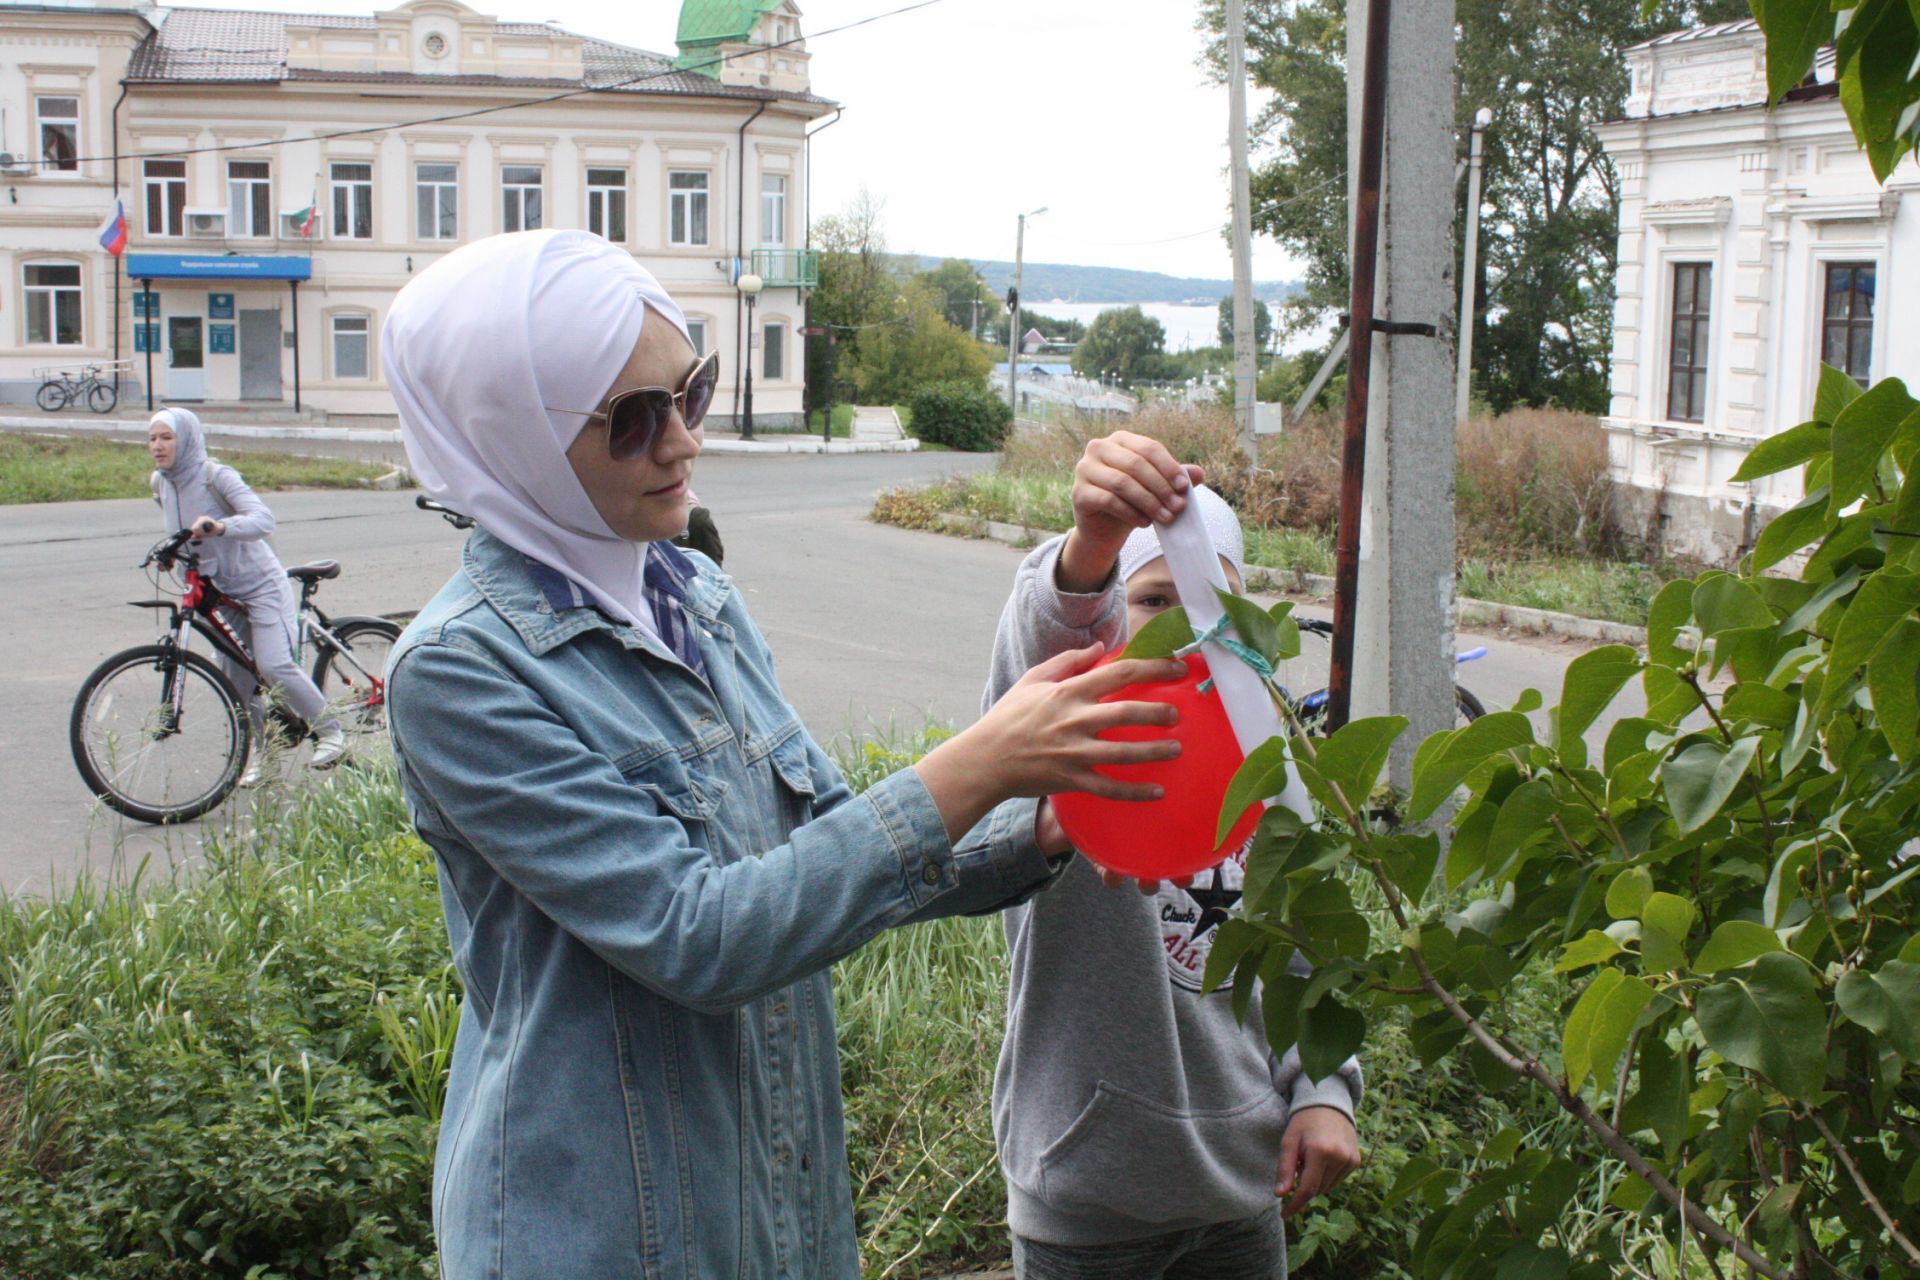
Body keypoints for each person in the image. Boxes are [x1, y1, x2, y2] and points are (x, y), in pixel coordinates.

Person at [377, 229, 1188, 1280]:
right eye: (632, 418)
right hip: (600, 1230)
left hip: (772, 1203)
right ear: (508, 438)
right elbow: (702, 935)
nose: (682, 442)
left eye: (691, 392)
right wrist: (983, 762)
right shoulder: (459, 671)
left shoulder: (692, 594)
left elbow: (820, 846)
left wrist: (1040, 816)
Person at [983, 431, 1365, 1280]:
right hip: (1084, 1206)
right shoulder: (1067, 743)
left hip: (1241, 1194)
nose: (1186, 633)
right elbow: (1045, 644)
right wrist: (1090, 549)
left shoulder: (1268, 761)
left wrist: (1324, 1092)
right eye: (1155, 599)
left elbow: (1315, 944)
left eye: (1211, 605)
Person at [146, 407, 344, 782]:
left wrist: (220, 526)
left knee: (272, 665)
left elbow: (263, 519)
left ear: (186, 439)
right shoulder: (160, 483)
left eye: (166, 437)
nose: (158, 446)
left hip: (258, 586)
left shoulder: (215, 476)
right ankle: (267, 756)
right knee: (236, 682)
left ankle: (332, 731)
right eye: (152, 438)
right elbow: (185, 532)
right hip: (217, 593)